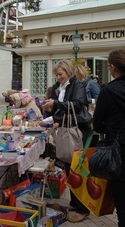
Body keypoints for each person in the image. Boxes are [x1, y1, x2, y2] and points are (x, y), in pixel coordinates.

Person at [42, 60, 90, 223]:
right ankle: (75, 203)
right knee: (69, 169)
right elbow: (60, 108)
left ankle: (84, 209)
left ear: (69, 72)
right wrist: (51, 108)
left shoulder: (77, 85)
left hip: (77, 131)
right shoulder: (58, 87)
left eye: (61, 74)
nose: (58, 77)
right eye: (56, 74)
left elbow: (77, 105)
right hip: (65, 130)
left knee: (78, 171)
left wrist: (55, 103)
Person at [93, 49, 125, 227]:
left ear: (112, 67)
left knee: (123, 207)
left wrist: (112, 128)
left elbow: (97, 126)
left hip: (119, 155)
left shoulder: (108, 91)